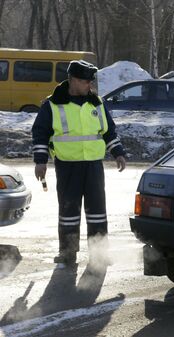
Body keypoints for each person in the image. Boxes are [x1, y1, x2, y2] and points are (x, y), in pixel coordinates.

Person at [31, 60, 126, 267]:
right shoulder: (52, 105)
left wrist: (117, 152)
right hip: (67, 166)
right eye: (85, 82)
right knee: (69, 211)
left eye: (90, 82)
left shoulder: (96, 103)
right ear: (73, 80)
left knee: (97, 211)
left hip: (93, 166)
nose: (89, 86)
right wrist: (40, 162)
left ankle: (99, 254)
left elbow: (108, 131)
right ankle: (67, 253)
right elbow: (40, 134)